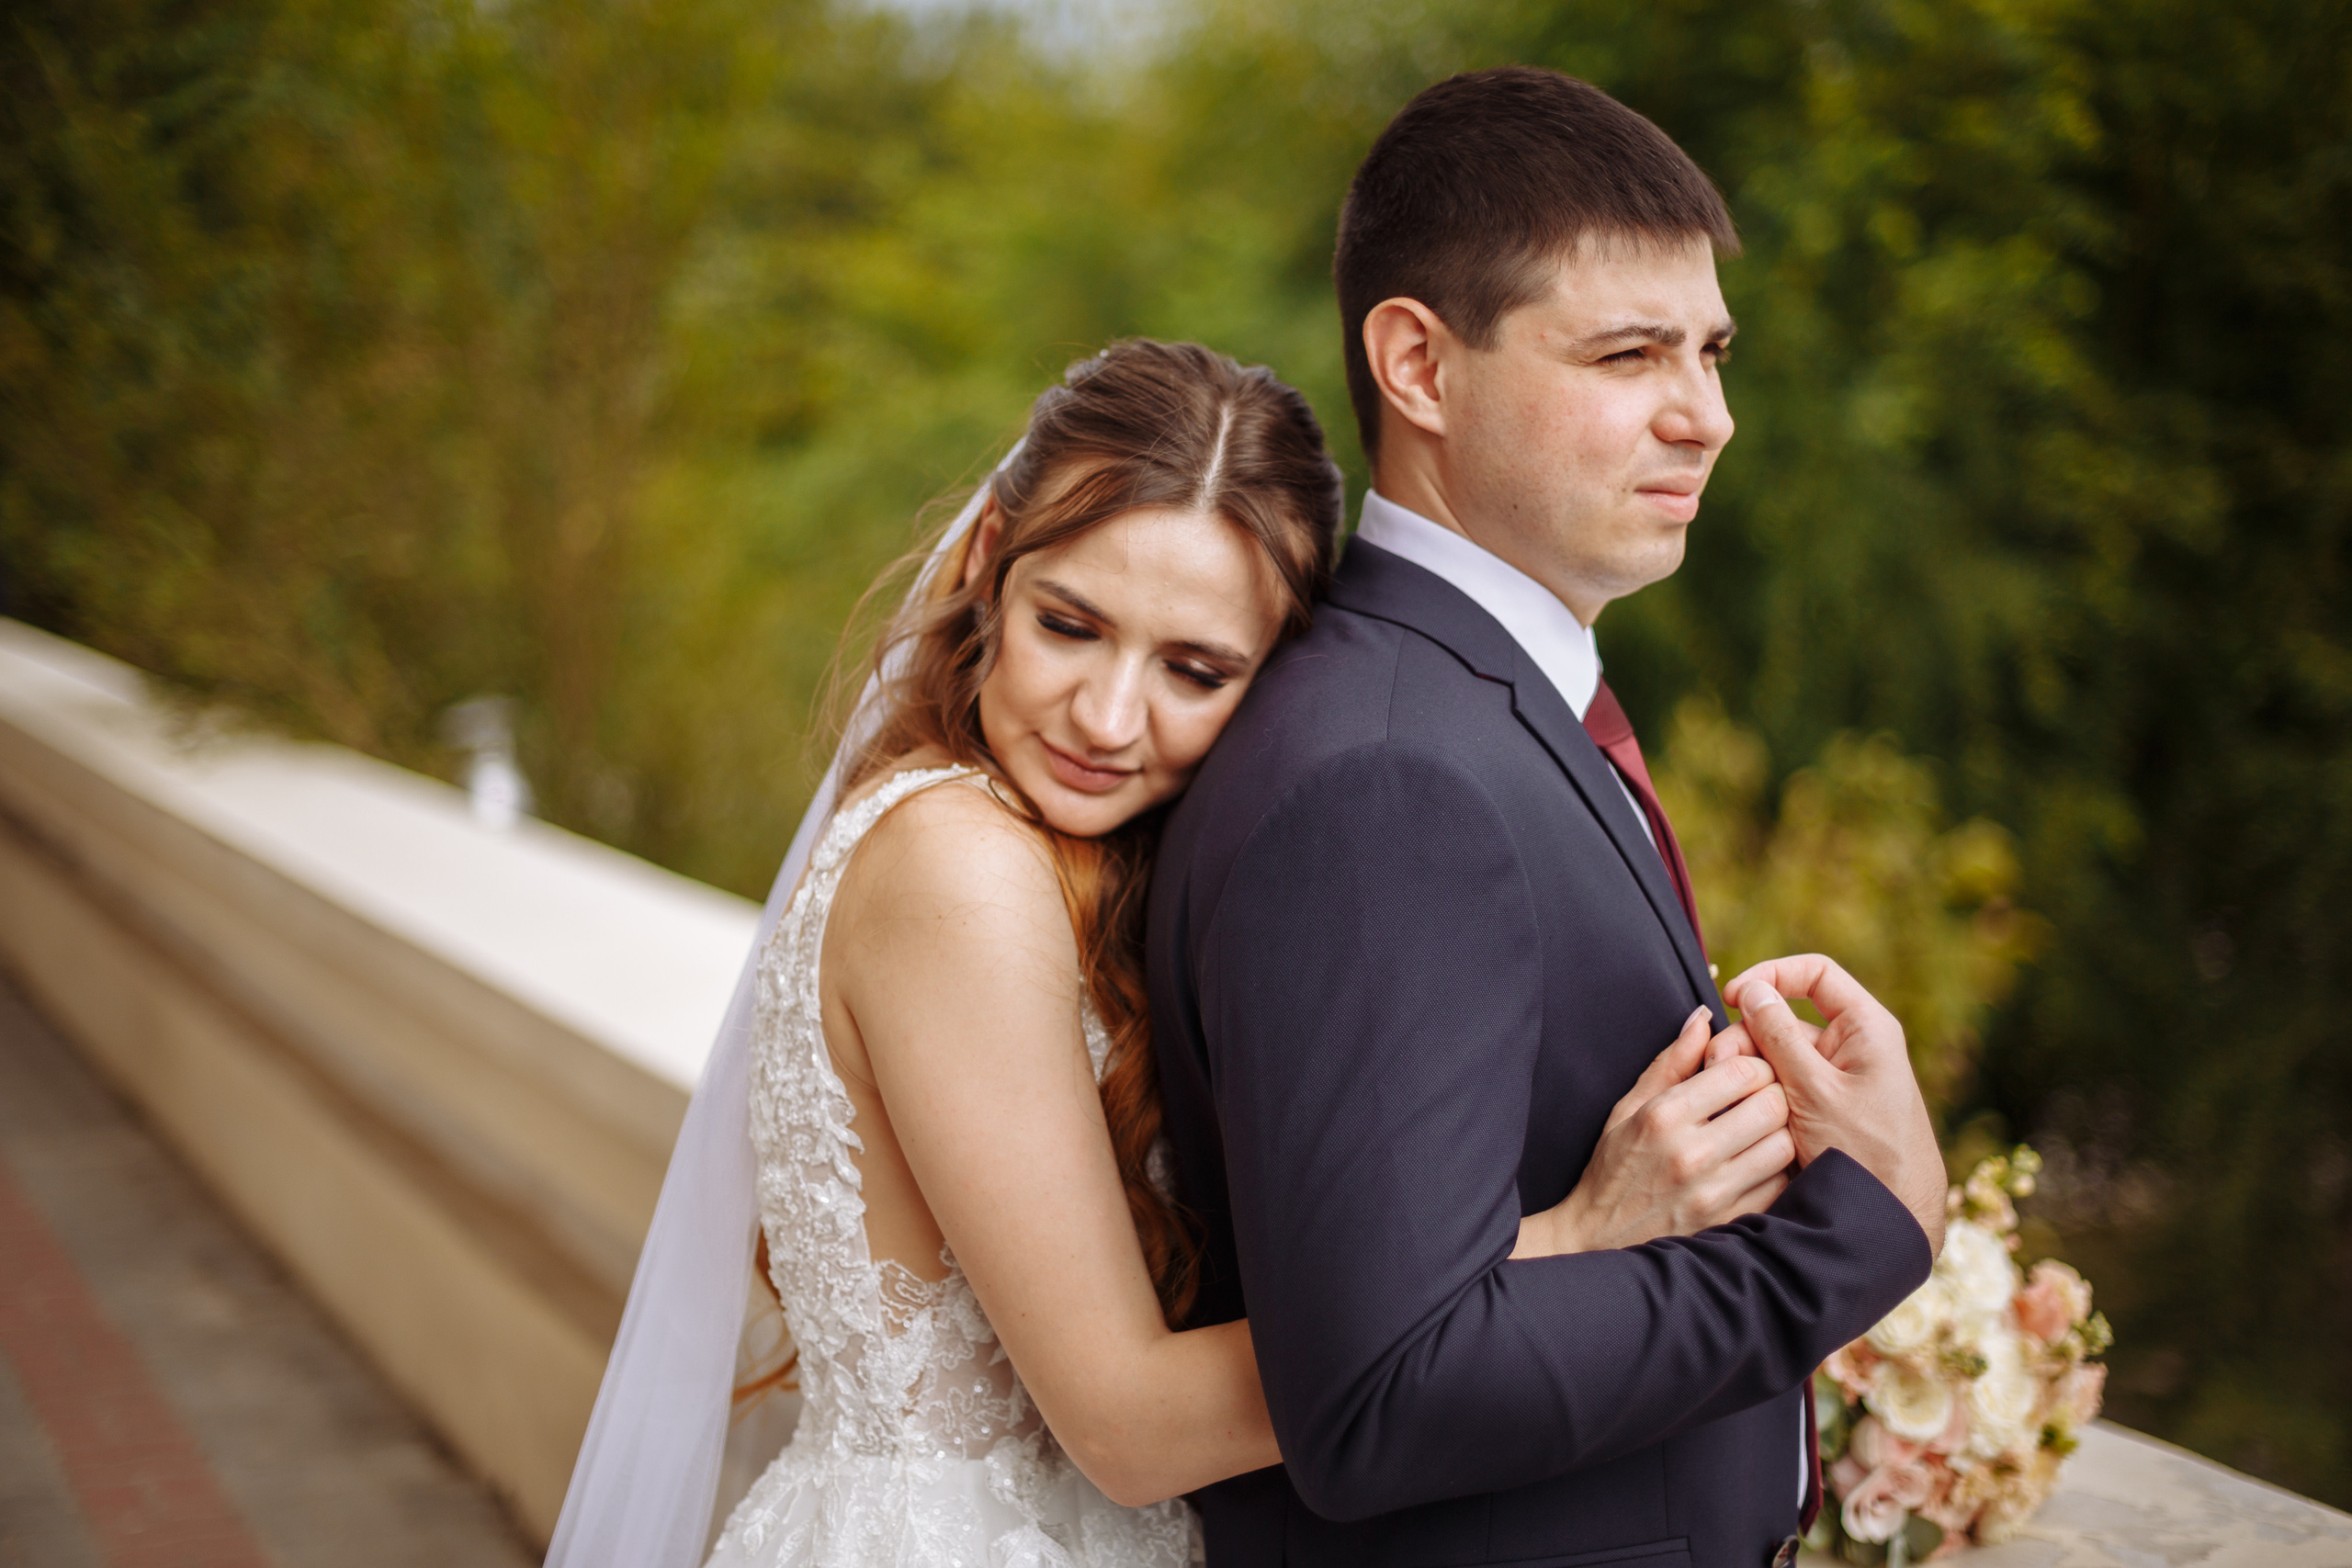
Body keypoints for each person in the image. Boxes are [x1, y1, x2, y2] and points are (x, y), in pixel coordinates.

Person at [548, 337, 1807, 1568]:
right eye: (1070, 626)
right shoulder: (956, 868)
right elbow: (1127, 1427)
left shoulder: (1079, 858)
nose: (1106, 717)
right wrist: (1574, 1237)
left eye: (1195, 672)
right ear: (990, 563)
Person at [1146, 67, 1951, 1568]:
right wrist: (1867, 1226)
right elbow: (1380, 1397)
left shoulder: (1480, 705)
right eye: (1630, 353)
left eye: (1712, 351)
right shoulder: (1388, 776)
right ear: (1421, 367)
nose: (1706, 416)